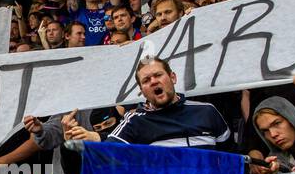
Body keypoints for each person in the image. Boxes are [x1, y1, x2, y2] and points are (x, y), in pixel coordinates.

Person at [66, 57, 232, 149]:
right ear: (141, 91)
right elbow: (111, 148)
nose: (153, 82)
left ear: (172, 78)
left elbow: (233, 158)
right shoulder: (136, 121)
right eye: (146, 80)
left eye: (158, 75)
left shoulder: (207, 111)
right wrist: (87, 138)